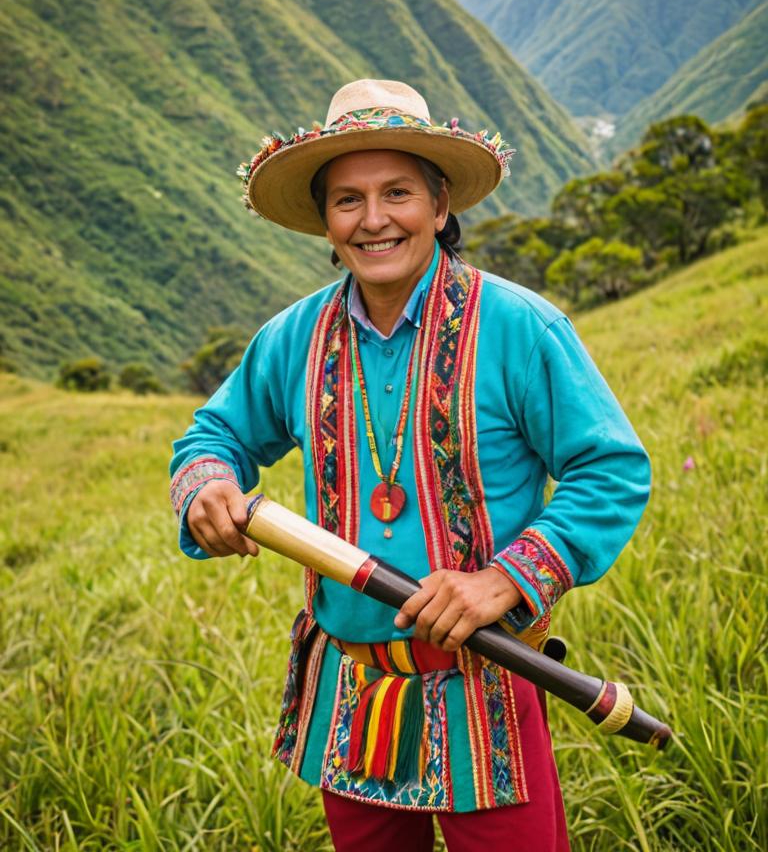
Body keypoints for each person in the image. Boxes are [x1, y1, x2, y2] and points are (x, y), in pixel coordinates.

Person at [170, 79, 651, 851]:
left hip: (484, 682)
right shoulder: (293, 338)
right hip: (350, 692)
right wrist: (209, 487)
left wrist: (505, 579)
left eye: (397, 192)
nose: (374, 219)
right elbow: (212, 435)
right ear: (327, 222)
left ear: (439, 205)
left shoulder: (519, 327)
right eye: (348, 200)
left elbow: (611, 468)